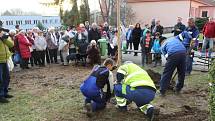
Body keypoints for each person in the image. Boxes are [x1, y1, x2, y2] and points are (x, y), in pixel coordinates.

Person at [0, 25, 14, 103]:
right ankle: (1, 95)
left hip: (5, 60)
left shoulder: (3, 36)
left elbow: (11, 45)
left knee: (6, 77)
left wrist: (4, 38)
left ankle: (5, 93)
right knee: (0, 79)